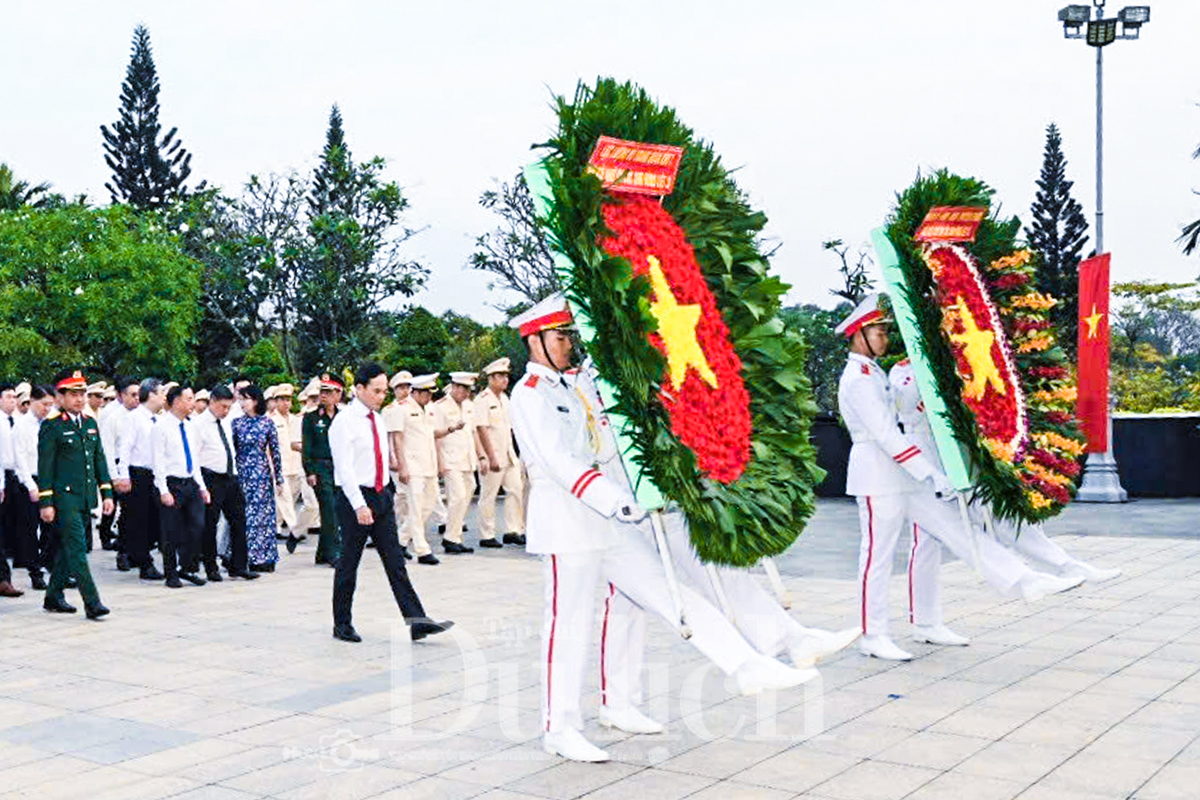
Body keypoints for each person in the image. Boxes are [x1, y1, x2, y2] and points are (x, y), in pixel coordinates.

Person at [509, 295, 817, 763]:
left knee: (671, 596)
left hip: (612, 518)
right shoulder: (529, 393)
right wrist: (616, 501)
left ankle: (741, 663)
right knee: (567, 626)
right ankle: (559, 726)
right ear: (534, 341)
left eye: (571, 335)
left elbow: (609, 442)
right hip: (569, 524)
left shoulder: (579, 385)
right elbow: (558, 461)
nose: (569, 344)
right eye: (559, 337)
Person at [835, 294, 1083, 662]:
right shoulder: (857, 378)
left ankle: (1021, 579)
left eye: (886, 331)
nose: (886, 339)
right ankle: (873, 634)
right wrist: (930, 472)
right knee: (878, 556)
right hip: (876, 476)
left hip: (902, 473)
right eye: (879, 332)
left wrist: (929, 472)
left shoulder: (875, 373)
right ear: (859, 334)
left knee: (954, 527)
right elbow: (887, 435)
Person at [888, 358, 1121, 625]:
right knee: (935, 540)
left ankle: (1063, 565)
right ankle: (926, 621)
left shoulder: (951, 357)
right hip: (925, 457)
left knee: (1000, 514)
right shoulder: (903, 370)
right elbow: (907, 410)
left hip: (957, 451)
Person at [328, 362, 453, 644]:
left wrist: (387, 491)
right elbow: (344, 469)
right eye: (376, 390)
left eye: (384, 390)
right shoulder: (344, 421)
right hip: (354, 500)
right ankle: (342, 624)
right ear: (359, 388)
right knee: (349, 563)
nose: (381, 395)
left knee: (396, 562)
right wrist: (360, 505)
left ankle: (417, 621)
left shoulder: (378, 418)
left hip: (381, 495)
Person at [38, 368, 112, 619]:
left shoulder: (90, 423)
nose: (79, 399)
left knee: (69, 549)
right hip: (63, 498)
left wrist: (107, 493)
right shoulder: (52, 426)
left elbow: (98, 459)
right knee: (78, 548)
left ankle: (53, 596)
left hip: (85, 496)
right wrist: (46, 501)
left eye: (82, 394)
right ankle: (92, 602)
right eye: (73, 394)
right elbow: (45, 466)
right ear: (60, 397)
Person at [194, 385, 257, 581]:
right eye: (222, 406)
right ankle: (210, 566)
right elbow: (194, 457)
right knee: (210, 523)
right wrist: (200, 486)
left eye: (229, 407)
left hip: (231, 477)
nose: (226, 411)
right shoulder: (198, 424)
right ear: (211, 402)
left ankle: (238, 565)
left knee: (239, 520)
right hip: (211, 477)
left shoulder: (227, 421)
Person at [152, 385, 211, 588]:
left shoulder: (190, 426)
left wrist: (202, 486)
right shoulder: (161, 426)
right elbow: (157, 461)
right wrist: (163, 490)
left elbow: (194, 458)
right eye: (188, 398)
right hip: (171, 483)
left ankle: (187, 567)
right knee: (171, 531)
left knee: (197, 525)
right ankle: (171, 573)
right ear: (176, 401)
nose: (192, 403)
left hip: (190, 482)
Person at [116, 378, 167, 581]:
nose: (164, 396)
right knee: (139, 520)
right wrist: (123, 476)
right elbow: (125, 448)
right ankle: (144, 563)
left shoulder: (159, 419)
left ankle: (138, 554)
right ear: (151, 394)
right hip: (138, 474)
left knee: (154, 520)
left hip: (155, 475)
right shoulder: (134, 418)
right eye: (161, 392)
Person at [474, 358, 526, 549]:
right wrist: (490, 456)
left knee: (516, 490)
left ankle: (513, 530)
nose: (506, 379)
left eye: (506, 376)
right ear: (491, 378)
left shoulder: (505, 398)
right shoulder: (482, 400)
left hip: (509, 454)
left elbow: (510, 429)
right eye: (501, 376)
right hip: (492, 456)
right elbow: (481, 430)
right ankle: (486, 534)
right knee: (489, 495)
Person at [231, 384, 282, 572]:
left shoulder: (267, 423)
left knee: (264, 517)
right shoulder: (236, 423)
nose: (242, 403)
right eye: (241, 399)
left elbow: (275, 452)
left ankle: (266, 558)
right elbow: (233, 450)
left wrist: (279, 479)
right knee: (246, 517)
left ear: (256, 401)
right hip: (243, 474)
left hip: (261, 474)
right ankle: (248, 557)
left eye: (246, 399)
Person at [11, 385, 54, 590]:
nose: (47, 408)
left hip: (49, 481)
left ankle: (49, 563)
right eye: (44, 404)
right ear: (33, 401)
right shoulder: (21, 425)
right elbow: (20, 460)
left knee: (51, 526)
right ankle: (34, 571)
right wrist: (30, 486)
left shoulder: (51, 423)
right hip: (28, 481)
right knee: (30, 529)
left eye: (50, 405)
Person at [432, 372, 479, 555]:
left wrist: (480, 456)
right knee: (457, 496)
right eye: (463, 388)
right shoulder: (440, 407)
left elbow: (472, 433)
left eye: (468, 389)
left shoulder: (469, 405)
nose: (466, 393)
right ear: (454, 387)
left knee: (468, 491)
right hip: (449, 459)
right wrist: (439, 462)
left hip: (467, 459)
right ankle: (450, 538)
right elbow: (434, 435)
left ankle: (455, 536)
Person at [397, 374, 441, 565]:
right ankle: (422, 550)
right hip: (412, 465)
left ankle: (399, 540)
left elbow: (431, 435)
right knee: (415, 508)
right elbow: (396, 439)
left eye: (430, 393)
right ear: (414, 392)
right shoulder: (401, 409)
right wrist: (401, 466)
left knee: (429, 505)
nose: (428, 397)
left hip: (428, 465)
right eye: (425, 393)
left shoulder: (429, 409)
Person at [303, 374, 344, 566]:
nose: (324, 395)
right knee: (329, 510)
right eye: (322, 391)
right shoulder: (311, 418)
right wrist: (309, 471)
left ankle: (322, 553)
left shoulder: (343, 417)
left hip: (339, 468)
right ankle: (335, 552)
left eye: (329, 392)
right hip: (320, 468)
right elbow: (307, 448)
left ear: (338, 394)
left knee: (335, 509)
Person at [268, 384, 313, 554]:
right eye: (282, 400)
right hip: (280, 467)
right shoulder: (270, 420)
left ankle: (273, 527)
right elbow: (267, 447)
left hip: (296, 465)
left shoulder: (296, 419)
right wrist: (271, 467)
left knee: (287, 502)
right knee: (285, 499)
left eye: (288, 400)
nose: (286, 403)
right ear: (276, 401)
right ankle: (295, 530)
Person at [100, 377, 139, 561]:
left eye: (139, 394)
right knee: (120, 510)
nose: (137, 398)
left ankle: (135, 551)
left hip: (136, 468)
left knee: (134, 513)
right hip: (116, 466)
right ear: (121, 396)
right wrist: (114, 477)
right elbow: (107, 449)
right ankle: (122, 552)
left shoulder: (141, 416)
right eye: (132, 395)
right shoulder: (113, 417)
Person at [381, 371, 414, 557]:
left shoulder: (414, 406)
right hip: (398, 460)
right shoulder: (391, 410)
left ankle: (403, 539)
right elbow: (389, 437)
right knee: (402, 497)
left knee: (409, 501)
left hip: (415, 458)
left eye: (408, 387)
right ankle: (398, 540)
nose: (405, 391)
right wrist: (392, 459)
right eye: (401, 388)